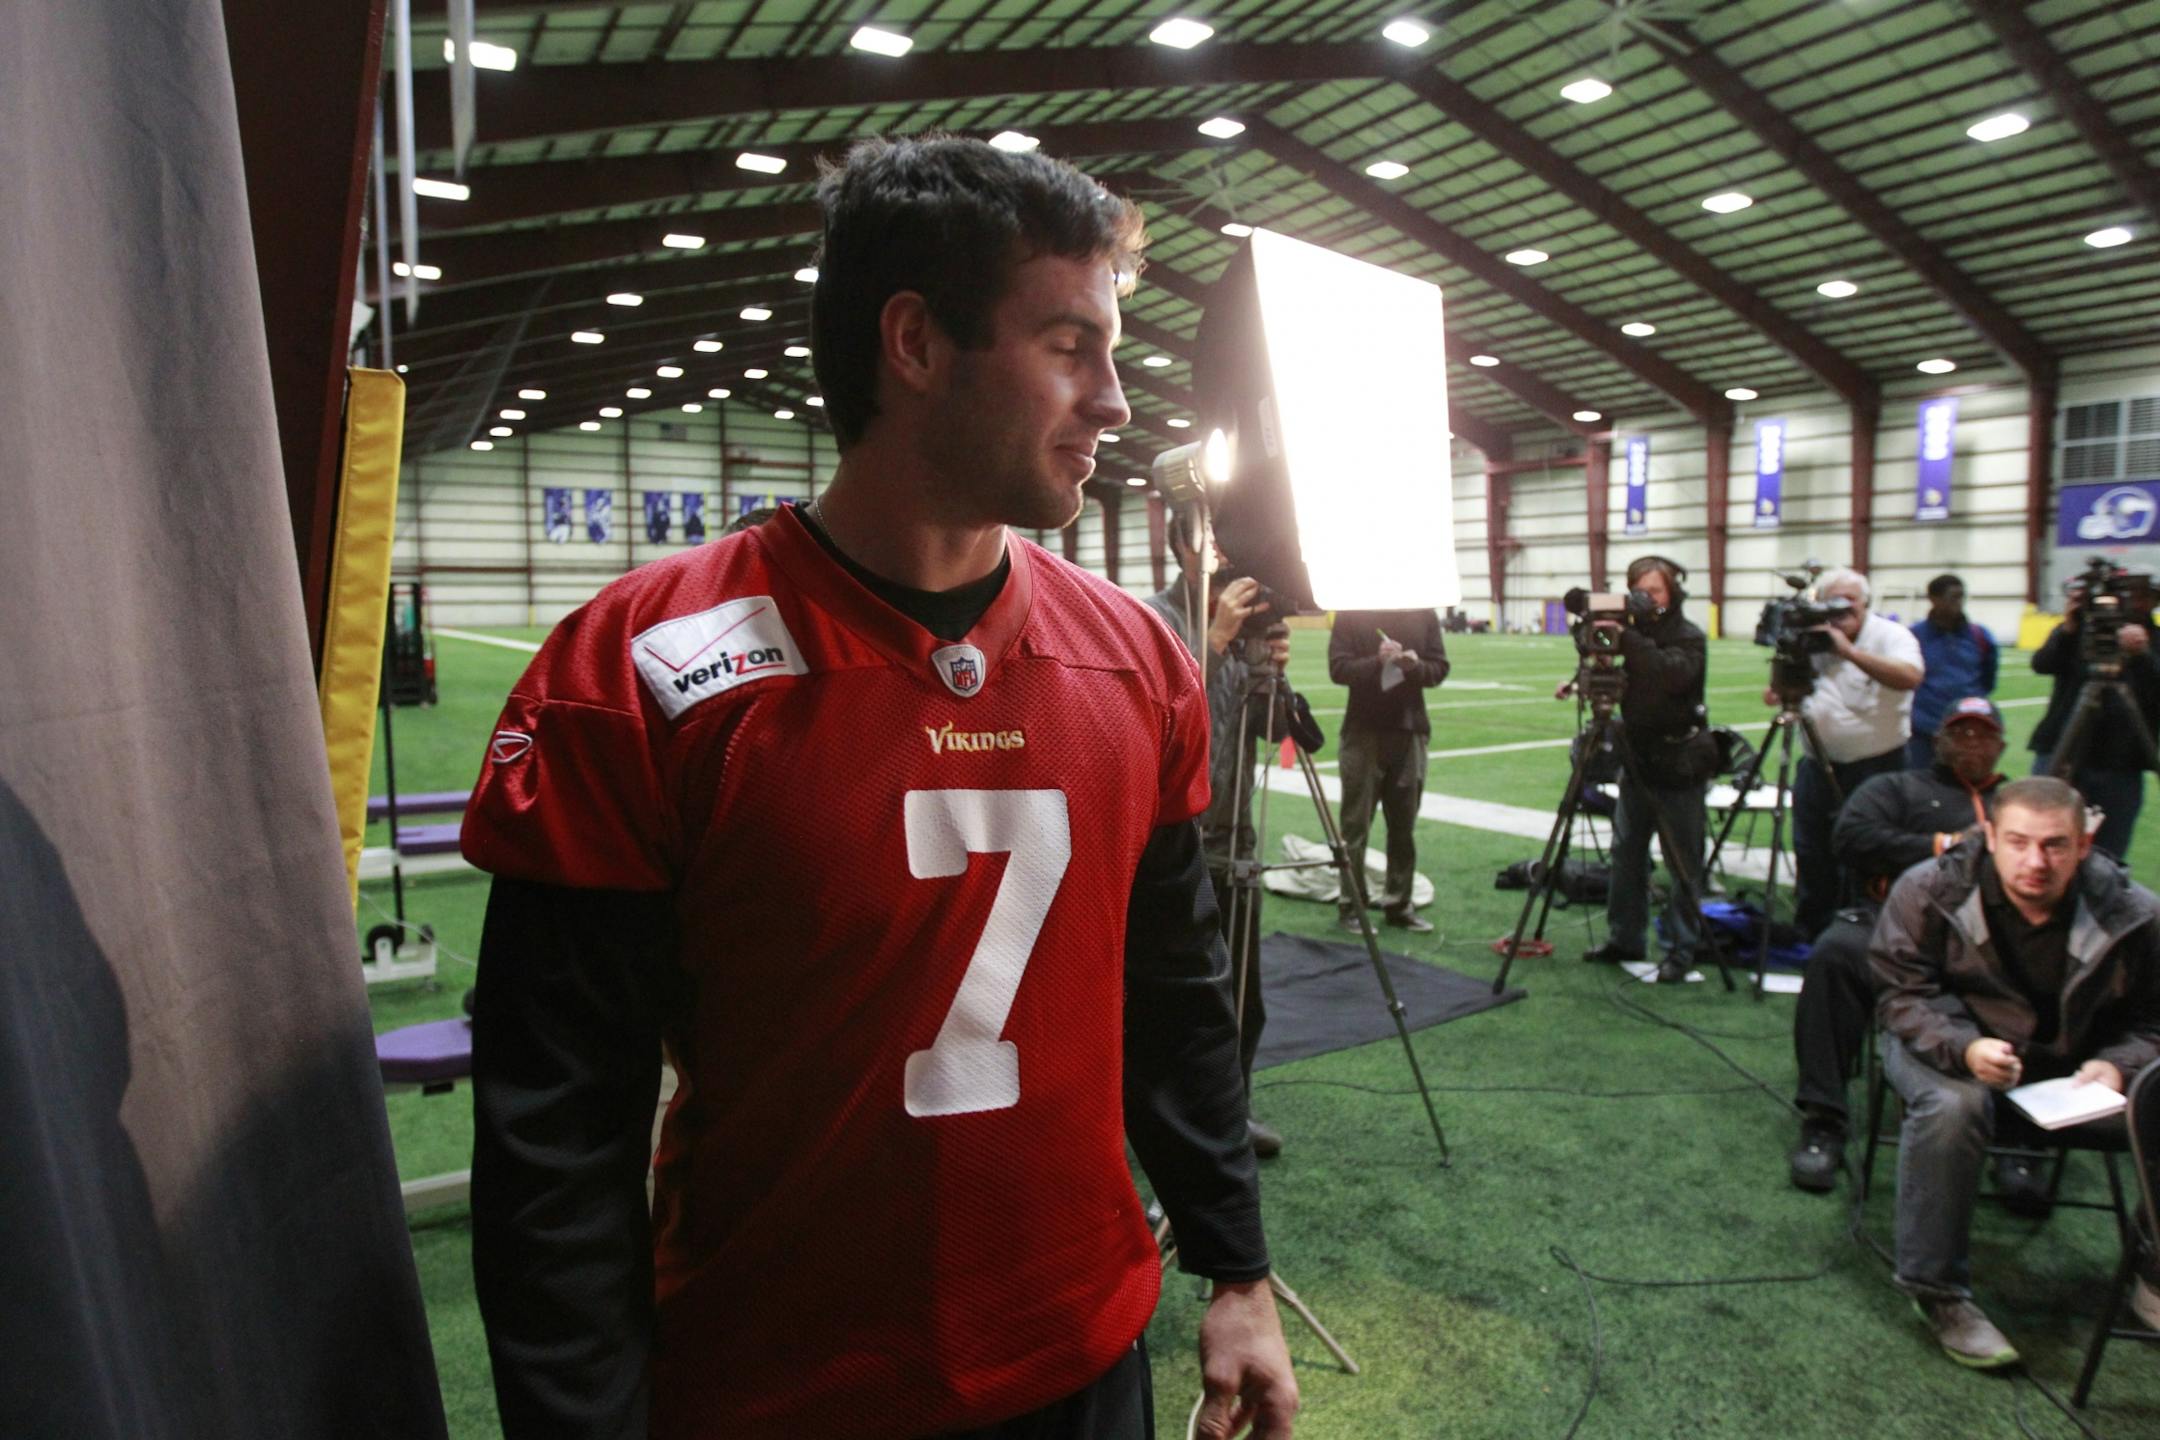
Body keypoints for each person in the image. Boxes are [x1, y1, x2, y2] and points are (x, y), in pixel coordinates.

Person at [460, 136, 1297, 1440]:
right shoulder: (633, 677)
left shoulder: (1139, 665)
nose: (1117, 400)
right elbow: (557, 1143)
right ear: (913, 343)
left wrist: (1234, 1268)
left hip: (1084, 1368)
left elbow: (1176, 1001)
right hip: (780, 1389)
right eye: (1071, 347)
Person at [1871, 776, 2160, 1367]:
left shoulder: (2135, 912)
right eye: (2019, 842)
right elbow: (1900, 997)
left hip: (2072, 1072)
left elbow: (2155, 1021)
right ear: (1991, 836)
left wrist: (2119, 1065)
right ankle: (1939, 1292)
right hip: (1947, 1049)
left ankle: (2152, 1274)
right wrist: (1966, 1047)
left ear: (2084, 844)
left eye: (2055, 845)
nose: (2036, 861)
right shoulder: (1927, 890)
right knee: (1956, 1107)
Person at [1786, 696, 2006, 1192]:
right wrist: (1943, 846)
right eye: (1961, 733)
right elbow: (1850, 837)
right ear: (1939, 740)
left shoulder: (2016, 803)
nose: (1971, 742)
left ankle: (2025, 1141)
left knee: (2042, 969)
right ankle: (1824, 1117)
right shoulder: (1898, 788)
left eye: (1983, 734)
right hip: (1891, 921)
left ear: (2001, 746)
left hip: (1989, 938)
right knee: (1835, 953)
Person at [1146, 521, 1292, 1159]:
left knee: (1243, 995)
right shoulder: (1151, 619)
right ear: (1183, 547)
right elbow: (1161, 725)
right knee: (1170, 997)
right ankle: (1161, 1121)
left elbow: (1279, 734)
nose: (1230, 558)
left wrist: (1270, 672)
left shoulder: (1250, 627)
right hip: (1171, 843)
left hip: (1237, 833)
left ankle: (1232, 1114)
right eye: (1215, 542)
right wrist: (1215, 641)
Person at [1573, 557, 1711, 984]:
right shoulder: (1627, 633)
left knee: (1682, 862)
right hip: (1636, 759)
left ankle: (1680, 947)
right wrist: (1592, 626)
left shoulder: (1688, 637)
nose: (1647, 598)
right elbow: (1590, 650)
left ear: (1673, 592)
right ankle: (1625, 937)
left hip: (1679, 762)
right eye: (1640, 590)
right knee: (1627, 854)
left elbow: (1671, 674)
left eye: (1655, 591)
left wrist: (1627, 635)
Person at [1777, 567, 1924, 939]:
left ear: (1866, 604)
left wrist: (1849, 652)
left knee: (1869, 852)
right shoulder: (1812, 638)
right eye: (1832, 603)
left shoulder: (1891, 635)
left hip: (1877, 766)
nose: (1840, 612)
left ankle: (1865, 931)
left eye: (1849, 603)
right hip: (1817, 764)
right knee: (1812, 851)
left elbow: (1909, 676)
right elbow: (1774, 695)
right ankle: (1812, 931)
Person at [1327, 608, 1448, 933]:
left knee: (1404, 826)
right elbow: (1337, 668)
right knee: (1355, 825)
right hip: (1362, 731)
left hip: (1409, 731)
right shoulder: (1352, 610)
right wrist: (1376, 661)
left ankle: (1398, 902)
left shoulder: (1423, 612)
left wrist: (1415, 666)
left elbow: (1439, 668)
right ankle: (1352, 905)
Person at [2028, 574, 2160, 862]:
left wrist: (2143, 655)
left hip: (2121, 763)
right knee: (2042, 837)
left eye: (2141, 595)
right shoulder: (2082, 629)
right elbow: (2042, 663)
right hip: (2062, 751)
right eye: (2129, 594)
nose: (2134, 602)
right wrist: (2068, 628)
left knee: (2108, 855)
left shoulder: (2154, 640)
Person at [1906, 574, 1997, 770]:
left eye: (1962, 597)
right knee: (1920, 787)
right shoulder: (1912, 637)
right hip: (1924, 730)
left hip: (1968, 730)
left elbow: (1988, 680)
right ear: (1934, 599)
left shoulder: (1980, 636)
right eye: (1952, 597)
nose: (1959, 603)